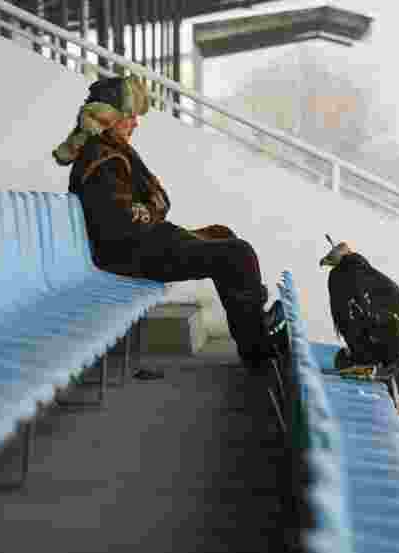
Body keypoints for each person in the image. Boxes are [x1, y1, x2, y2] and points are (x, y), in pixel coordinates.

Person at [53, 75, 285, 369]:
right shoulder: (104, 161)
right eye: (130, 117)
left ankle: (254, 321)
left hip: (140, 244)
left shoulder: (108, 152)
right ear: (110, 120)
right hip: (129, 256)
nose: (135, 123)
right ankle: (258, 351)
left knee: (221, 234)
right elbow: (132, 218)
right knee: (237, 254)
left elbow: (153, 204)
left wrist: (155, 208)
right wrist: (157, 208)